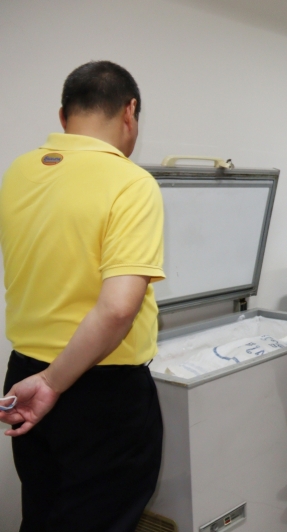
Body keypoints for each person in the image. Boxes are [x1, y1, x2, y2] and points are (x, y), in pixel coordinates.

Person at [0, 61, 165, 531]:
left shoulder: (19, 171)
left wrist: (43, 380)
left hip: (24, 374)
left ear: (63, 116)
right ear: (130, 111)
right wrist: (53, 384)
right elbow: (117, 308)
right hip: (97, 386)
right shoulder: (130, 182)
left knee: (44, 513)